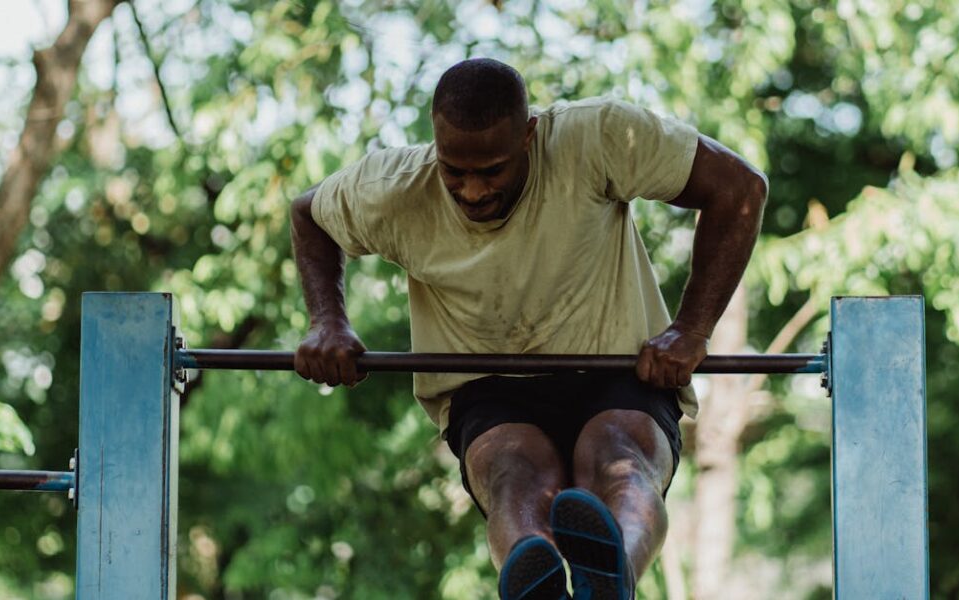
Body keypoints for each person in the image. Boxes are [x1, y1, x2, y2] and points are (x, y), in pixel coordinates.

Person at [290, 58, 766, 599]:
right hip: (487, 384)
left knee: (618, 459)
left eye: (491, 170)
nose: (472, 192)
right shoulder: (394, 187)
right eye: (454, 172)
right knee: (514, 473)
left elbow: (739, 188)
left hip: (616, 367)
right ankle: (532, 581)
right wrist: (327, 322)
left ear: (529, 134)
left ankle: (612, 581)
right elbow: (309, 215)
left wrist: (691, 329)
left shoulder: (595, 137)